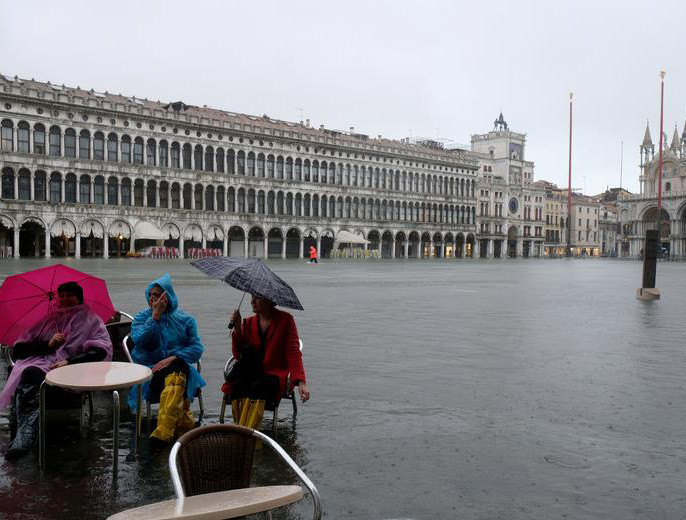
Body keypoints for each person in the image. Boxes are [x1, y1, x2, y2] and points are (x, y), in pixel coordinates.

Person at [0, 282, 112, 458]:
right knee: (24, 373)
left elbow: (100, 351)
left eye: (69, 295)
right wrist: (48, 345)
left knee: (28, 375)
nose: (64, 299)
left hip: (72, 374)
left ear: (79, 297)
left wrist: (68, 361)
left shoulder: (91, 321)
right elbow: (19, 350)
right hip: (41, 369)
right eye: (62, 295)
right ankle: (23, 433)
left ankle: (23, 435)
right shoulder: (48, 319)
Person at [129, 273, 205, 443]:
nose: (152, 298)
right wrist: (155, 317)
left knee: (177, 366)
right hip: (151, 371)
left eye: (156, 295)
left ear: (167, 297)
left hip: (178, 369)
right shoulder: (141, 318)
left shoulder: (186, 320)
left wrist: (172, 358)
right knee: (178, 370)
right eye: (150, 294)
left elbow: (197, 348)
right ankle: (182, 423)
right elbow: (140, 341)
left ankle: (163, 432)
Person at [227, 294, 310, 429]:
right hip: (250, 372)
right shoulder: (248, 323)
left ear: (269, 300)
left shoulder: (286, 321)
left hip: (273, 374)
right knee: (237, 386)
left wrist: (301, 382)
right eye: (252, 297)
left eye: (257, 298)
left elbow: (294, 353)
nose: (252, 301)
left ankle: (248, 432)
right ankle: (238, 429)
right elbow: (238, 354)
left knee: (257, 387)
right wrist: (237, 328)